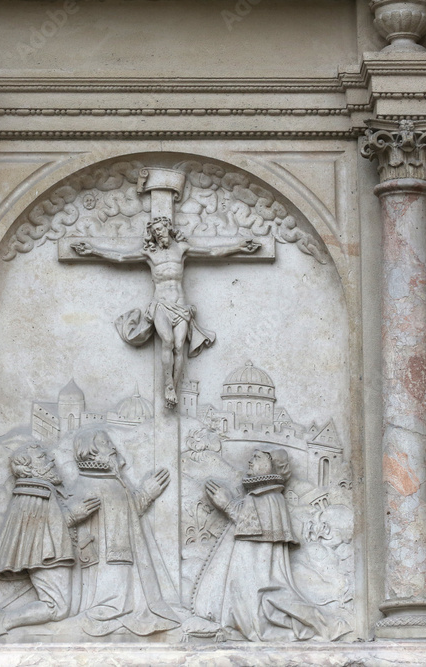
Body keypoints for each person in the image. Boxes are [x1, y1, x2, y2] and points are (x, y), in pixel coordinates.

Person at [71, 217, 259, 409]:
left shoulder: (182, 249)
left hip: (181, 307)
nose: (158, 233)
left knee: (179, 346)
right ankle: (168, 386)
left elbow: (211, 252)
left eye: (160, 229)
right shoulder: (150, 254)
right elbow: (121, 258)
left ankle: (173, 388)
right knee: (167, 341)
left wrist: (239, 247)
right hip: (160, 305)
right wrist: (93, 251)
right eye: (155, 232)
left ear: (168, 228)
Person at [192, 447, 349, 641]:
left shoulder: (269, 497)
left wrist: (227, 504)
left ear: (272, 465)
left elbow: (251, 525)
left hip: (259, 571)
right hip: (249, 567)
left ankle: (327, 625)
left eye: (257, 457)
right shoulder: (260, 495)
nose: (250, 461)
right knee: (252, 600)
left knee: (269, 600)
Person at [0, 444, 100, 641]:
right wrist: (73, 515)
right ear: (30, 468)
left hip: (54, 551)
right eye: (43, 458)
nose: (51, 461)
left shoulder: (42, 489)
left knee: (66, 607)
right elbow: (41, 527)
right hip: (48, 554)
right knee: (57, 607)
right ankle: (5, 620)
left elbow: (47, 520)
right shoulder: (35, 490)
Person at [71, 429, 181, 637]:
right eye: (105, 443)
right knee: (114, 605)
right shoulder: (90, 482)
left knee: (127, 601)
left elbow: (127, 511)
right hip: (106, 562)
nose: (113, 447)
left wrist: (147, 492)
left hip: (121, 558)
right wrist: (146, 493)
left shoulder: (113, 479)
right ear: (91, 452)